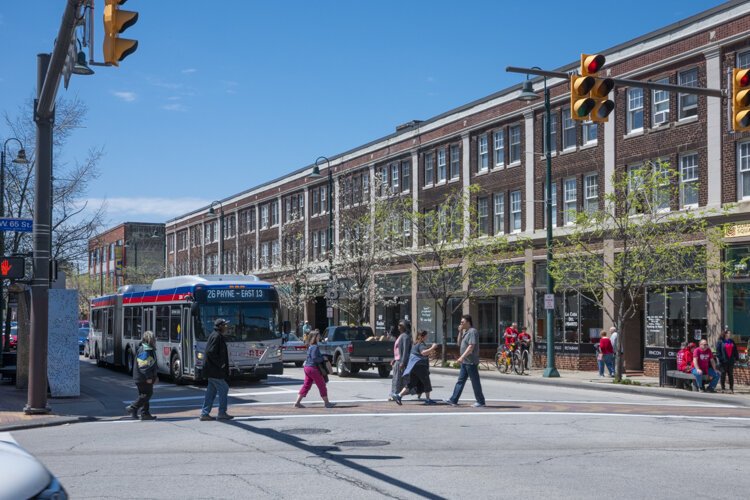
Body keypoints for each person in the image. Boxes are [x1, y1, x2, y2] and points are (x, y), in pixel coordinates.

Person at [445, 315, 486, 407]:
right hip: (465, 362)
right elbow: (458, 343)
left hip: (471, 361)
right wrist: (459, 331)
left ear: (468, 322)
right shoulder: (466, 332)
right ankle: (453, 400)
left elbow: (471, 346)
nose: (461, 324)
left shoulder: (472, 332)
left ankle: (481, 401)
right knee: (460, 381)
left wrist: (461, 357)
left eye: (462, 322)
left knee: (475, 382)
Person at [200, 318, 234, 421]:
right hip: (214, 370)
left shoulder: (216, 335)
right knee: (224, 388)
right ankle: (222, 412)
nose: (226, 327)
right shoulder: (216, 336)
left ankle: (205, 413)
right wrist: (221, 364)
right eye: (224, 325)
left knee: (211, 392)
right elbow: (211, 352)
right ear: (220, 327)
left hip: (212, 370)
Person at [393, 330, 438, 405]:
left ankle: (399, 395)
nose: (427, 337)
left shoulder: (415, 344)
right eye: (426, 335)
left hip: (413, 367)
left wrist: (429, 352)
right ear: (423, 336)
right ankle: (428, 399)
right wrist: (433, 347)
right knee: (426, 382)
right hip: (419, 366)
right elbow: (423, 353)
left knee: (412, 383)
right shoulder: (421, 344)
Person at [294, 330, 335, 408]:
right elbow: (315, 358)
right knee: (322, 385)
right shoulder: (315, 347)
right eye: (318, 336)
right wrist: (322, 358)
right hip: (313, 368)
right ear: (314, 337)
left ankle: (297, 402)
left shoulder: (310, 346)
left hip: (307, 367)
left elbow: (312, 357)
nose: (319, 337)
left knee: (306, 385)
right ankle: (327, 403)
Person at [126, 330, 158, 420]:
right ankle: (133, 407)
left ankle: (144, 413)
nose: (155, 340)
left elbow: (151, 363)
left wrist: (155, 376)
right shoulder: (145, 350)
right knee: (147, 394)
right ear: (149, 340)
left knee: (144, 395)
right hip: (142, 378)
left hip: (141, 377)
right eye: (153, 338)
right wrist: (148, 377)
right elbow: (144, 366)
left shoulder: (147, 348)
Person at [389, 320, 413, 401]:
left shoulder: (405, 336)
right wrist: (394, 359)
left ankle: (395, 394)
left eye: (400, 325)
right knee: (396, 379)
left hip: (401, 361)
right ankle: (394, 394)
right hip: (397, 360)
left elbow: (405, 350)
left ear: (404, 327)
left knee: (398, 379)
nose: (398, 326)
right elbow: (397, 350)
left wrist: (403, 362)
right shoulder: (401, 335)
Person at [716, 328, 739, 393]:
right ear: (725, 334)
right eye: (728, 333)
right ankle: (723, 388)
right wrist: (721, 359)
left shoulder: (732, 341)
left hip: (731, 361)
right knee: (723, 374)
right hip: (723, 361)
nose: (730, 334)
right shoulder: (720, 341)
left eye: (730, 333)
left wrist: (737, 359)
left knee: (730, 374)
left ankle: (731, 388)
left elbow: (735, 350)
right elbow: (718, 352)